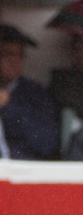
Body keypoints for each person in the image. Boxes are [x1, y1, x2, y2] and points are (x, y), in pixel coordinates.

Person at [0, 25, 59, 160]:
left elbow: (47, 144)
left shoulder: (34, 92)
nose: (14, 61)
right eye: (7, 54)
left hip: (20, 169)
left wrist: (8, 107)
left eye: (20, 55)